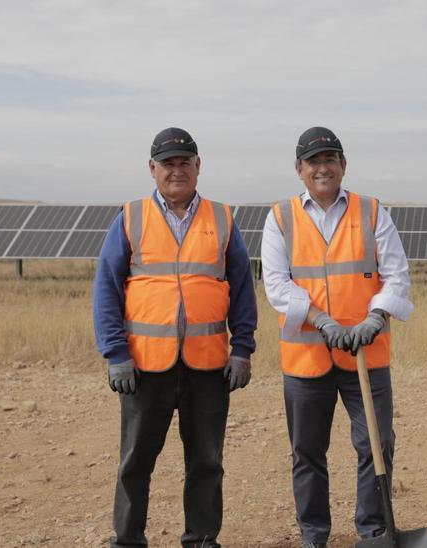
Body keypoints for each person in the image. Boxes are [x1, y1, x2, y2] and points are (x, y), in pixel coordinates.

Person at [93, 127, 258, 548]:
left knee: (206, 462)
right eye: (168, 164)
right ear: (152, 169)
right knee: (135, 463)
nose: (177, 171)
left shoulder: (222, 219)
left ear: (199, 166)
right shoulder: (130, 218)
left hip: (208, 365)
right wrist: (116, 353)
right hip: (144, 367)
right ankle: (128, 540)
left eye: (185, 163)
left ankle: (202, 540)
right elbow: (107, 289)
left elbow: (242, 287)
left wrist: (242, 348)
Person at [260, 127, 413, 548]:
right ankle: (314, 534)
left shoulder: (372, 212)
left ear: (344, 165)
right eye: (313, 161)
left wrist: (376, 316)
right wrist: (323, 321)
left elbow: (396, 274)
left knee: (376, 445)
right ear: (299, 169)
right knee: (307, 452)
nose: (322, 167)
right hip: (307, 359)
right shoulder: (280, 218)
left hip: (367, 352)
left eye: (330, 158)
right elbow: (277, 285)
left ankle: (374, 530)